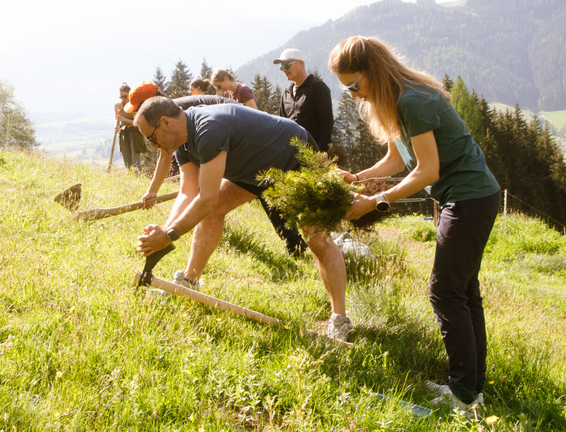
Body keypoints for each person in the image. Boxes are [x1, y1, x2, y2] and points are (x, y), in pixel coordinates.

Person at [329, 36, 500, 414]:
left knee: (445, 293)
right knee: (463, 292)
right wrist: (357, 178)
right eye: (346, 89)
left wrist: (375, 202)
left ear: (373, 71)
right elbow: (396, 159)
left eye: (355, 85)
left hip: (469, 198)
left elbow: (427, 170)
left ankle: (463, 395)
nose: (354, 95)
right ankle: (472, 389)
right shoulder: (394, 102)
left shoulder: (413, 100)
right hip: (468, 197)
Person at [134, 97, 352, 341]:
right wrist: (166, 229)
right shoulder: (181, 142)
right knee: (215, 210)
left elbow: (205, 199)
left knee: (317, 239)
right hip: (256, 169)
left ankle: (340, 320)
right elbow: (188, 192)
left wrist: (169, 235)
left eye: (150, 138)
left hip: (293, 156)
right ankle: (189, 282)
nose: (153, 146)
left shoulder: (208, 128)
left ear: (165, 123)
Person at [123, 81, 236, 209]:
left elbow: (166, 155)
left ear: (148, 102)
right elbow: (167, 152)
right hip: (222, 132)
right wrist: (152, 191)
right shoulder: (168, 113)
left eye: (137, 110)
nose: (137, 115)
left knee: (211, 197)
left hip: (236, 125)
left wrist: (152, 191)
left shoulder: (172, 114)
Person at [274, 48, 334, 154]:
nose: (284, 70)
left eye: (287, 65)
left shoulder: (318, 87)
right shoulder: (286, 92)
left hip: (314, 152)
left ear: (300, 63)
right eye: (282, 67)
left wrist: (323, 150)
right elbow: (282, 124)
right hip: (291, 153)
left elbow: (326, 120)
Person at [114, 83, 146, 171]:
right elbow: (116, 119)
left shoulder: (135, 106)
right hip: (124, 133)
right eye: (121, 97)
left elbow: (136, 122)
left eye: (125, 96)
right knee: (126, 159)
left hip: (135, 133)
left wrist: (122, 118)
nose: (123, 99)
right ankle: (130, 176)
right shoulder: (118, 106)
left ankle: (138, 176)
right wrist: (115, 126)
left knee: (135, 159)